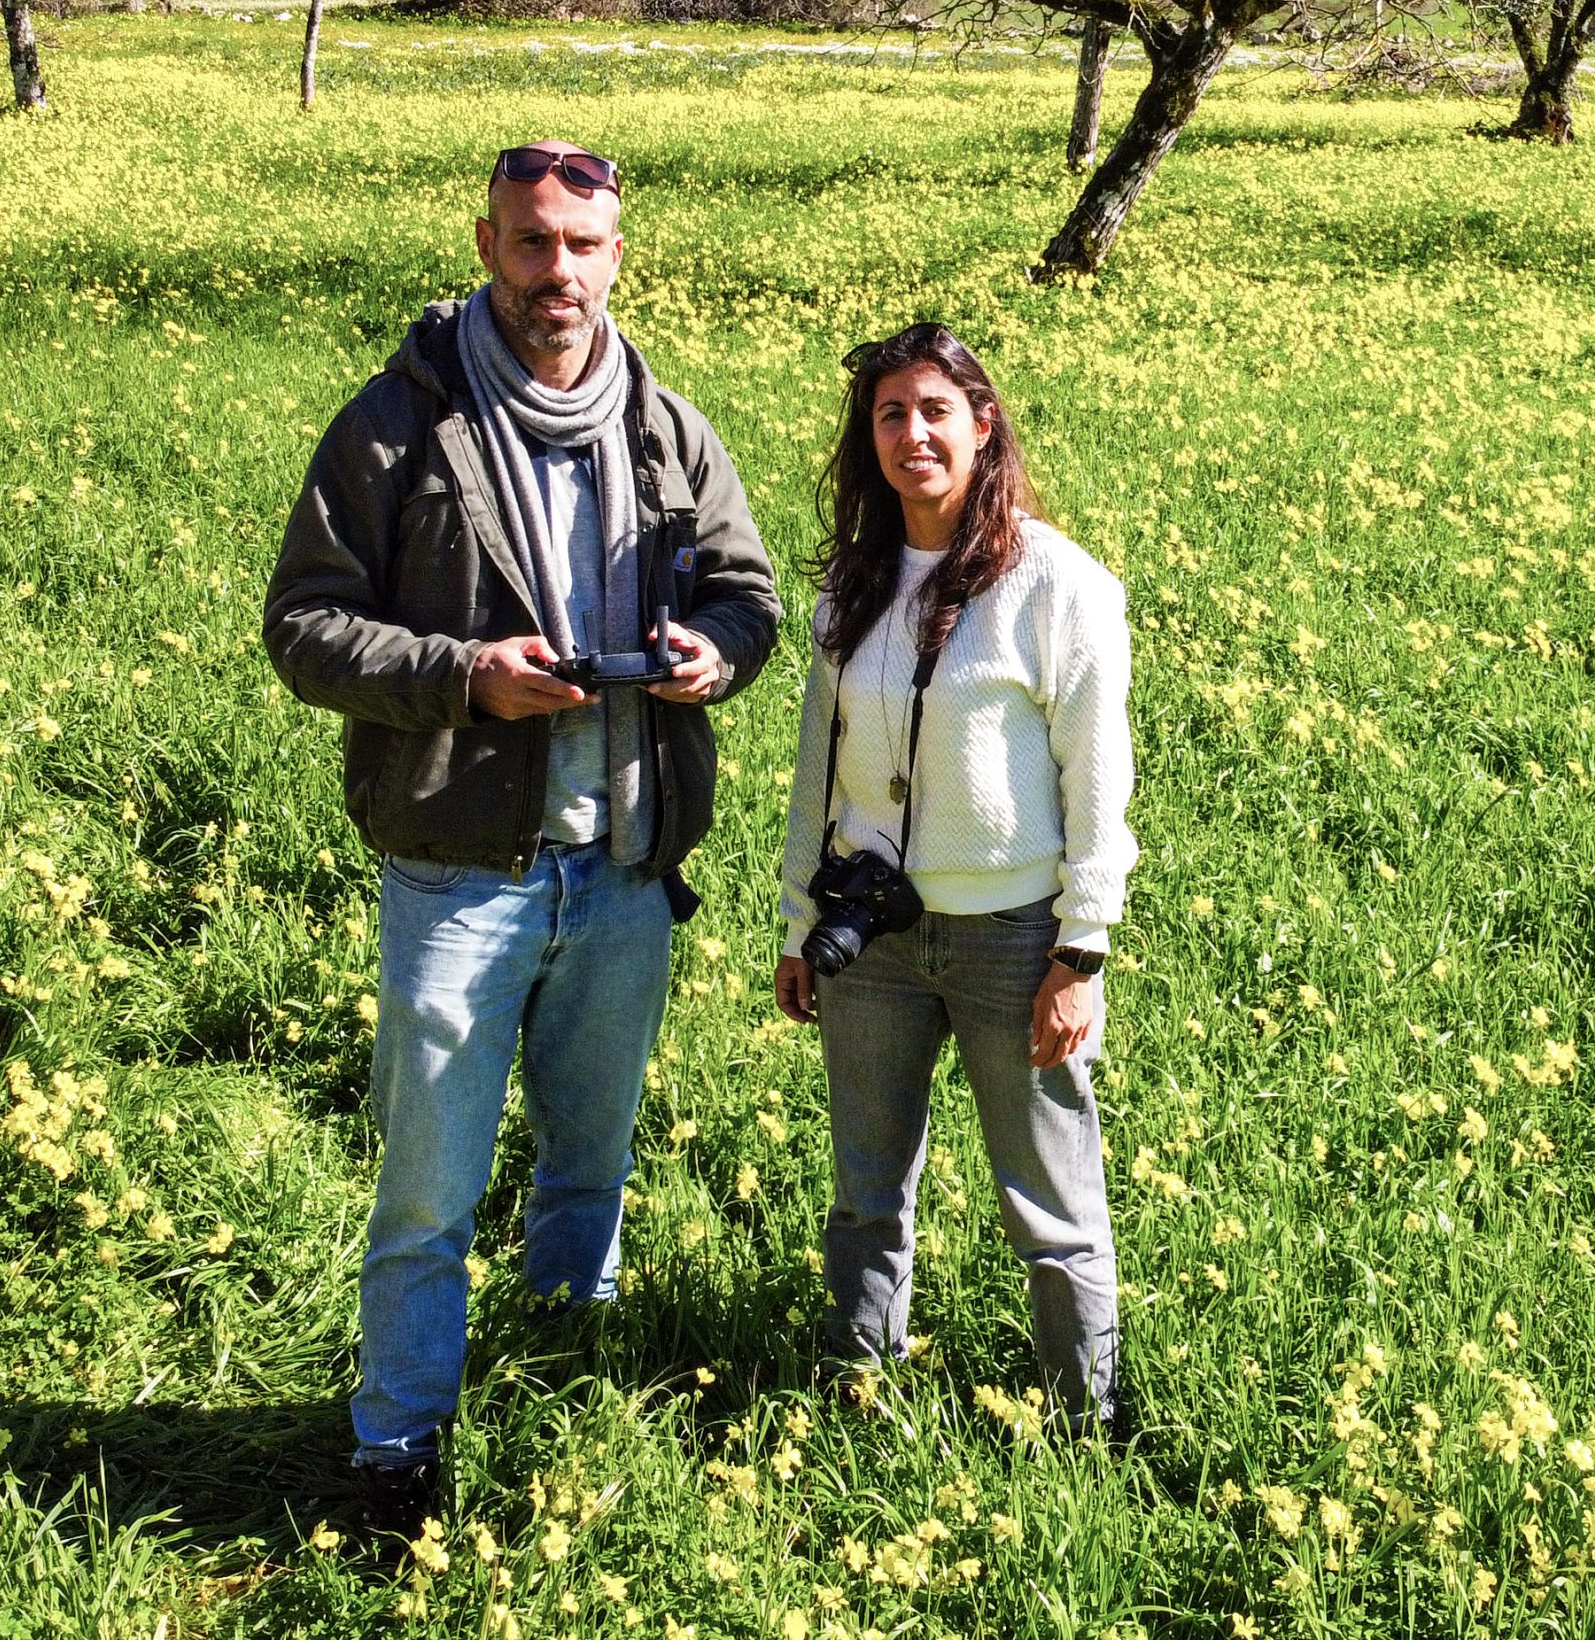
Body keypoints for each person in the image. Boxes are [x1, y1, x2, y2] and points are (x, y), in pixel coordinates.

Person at [264, 141, 780, 1542]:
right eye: (533, 242)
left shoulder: (665, 425)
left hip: (619, 864)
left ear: (620, 255)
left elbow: (750, 592)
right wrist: (459, 673)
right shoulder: (398, 424)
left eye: (584, 246)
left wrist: (708, 658)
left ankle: (558, 1391)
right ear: (489, 244)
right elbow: (303, 625)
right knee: (430, 1189)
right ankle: (396, 1449)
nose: (560, 272)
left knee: (588, 1168)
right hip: (459, 873)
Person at [774, 322, 1136, 1434]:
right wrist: (797, 918)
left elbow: (1096, 777)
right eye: (891, 414)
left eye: (936, 411)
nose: (912, 434)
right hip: (867, 940)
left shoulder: (1058, 583)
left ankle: (1091, 1423)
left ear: (984, 427)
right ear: (867, 437)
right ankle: (856, 1397)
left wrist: (1081, 949)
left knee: (1052, 1206)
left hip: (1013, 941)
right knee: (864, 1195)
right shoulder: (854, 585)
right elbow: (816, 768)